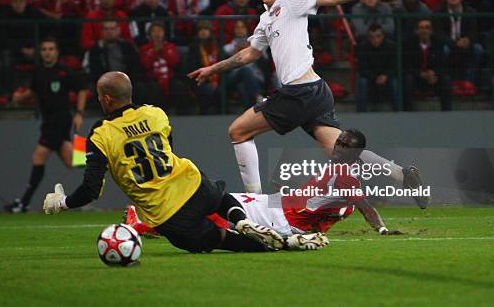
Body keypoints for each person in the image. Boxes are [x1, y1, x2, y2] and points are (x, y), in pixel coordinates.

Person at [188, 0, 429, 209]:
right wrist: (213, 68)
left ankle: (255, 204)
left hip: (299, 92)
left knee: (238, 132)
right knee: (343, 151)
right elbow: (248, 55)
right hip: (316, 92)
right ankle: (403, 174)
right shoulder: (265, 19)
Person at [41, 71, 326, 252]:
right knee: (221, 198)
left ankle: (283, 243)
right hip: (193, 183)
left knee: (221, 241)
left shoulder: (100, 133)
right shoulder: (155, 114)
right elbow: (169, 149)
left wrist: (63, 202)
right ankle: (240, 220)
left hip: (168, 214)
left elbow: (92, 190)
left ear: (105, 99)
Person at [125, 129, 403, 240]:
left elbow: (365, 207)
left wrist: (381, 228)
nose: (338, 147)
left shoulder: (345, 174)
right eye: (339, 142)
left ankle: (145, 222)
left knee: (215, 213)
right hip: (275, 205)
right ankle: (146, 221)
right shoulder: (343, 169)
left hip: (281, 218)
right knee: (213, 207)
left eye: (344, 146)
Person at [5, 37, 88, 213]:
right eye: (44, 49)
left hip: (59, 120)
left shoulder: (65, 72)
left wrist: (79, 113)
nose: (47, 52)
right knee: (72, 162)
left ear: (57, 52)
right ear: (41, 53)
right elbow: (32, 92)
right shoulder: (38, 72)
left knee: (38, 157)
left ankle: (23, 203)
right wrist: (20, 98)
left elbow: (82, 88)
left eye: (51, 49)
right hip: (48, 121)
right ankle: (91, 153)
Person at [403, 18, 452, 111]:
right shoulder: (409, 44)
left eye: (427, 27)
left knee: (446, 79)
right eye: (421, 28)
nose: (424, 30)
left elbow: (443, 65)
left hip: (433, 79)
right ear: (416, 31)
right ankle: (407, 112)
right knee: (408, 79)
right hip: (416, 79)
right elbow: (406, 66)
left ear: (431, 30)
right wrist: (420, 74)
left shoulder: (438, 43)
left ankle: (447, 112)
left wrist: (434, 72)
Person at [356, 24, 398, 112]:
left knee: (395, 83)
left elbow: (395, 67)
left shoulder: (391, 47)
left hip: (387, 78)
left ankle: (398, 111)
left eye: (378, 36)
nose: (375, 40)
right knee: (362, 82)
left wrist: (386, 76)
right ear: (368, 37)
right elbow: (362, 69)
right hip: (370, 78)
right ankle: (361, 113)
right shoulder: (363, 47)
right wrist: (375, 77)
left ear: (383, 36)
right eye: (372, 37)